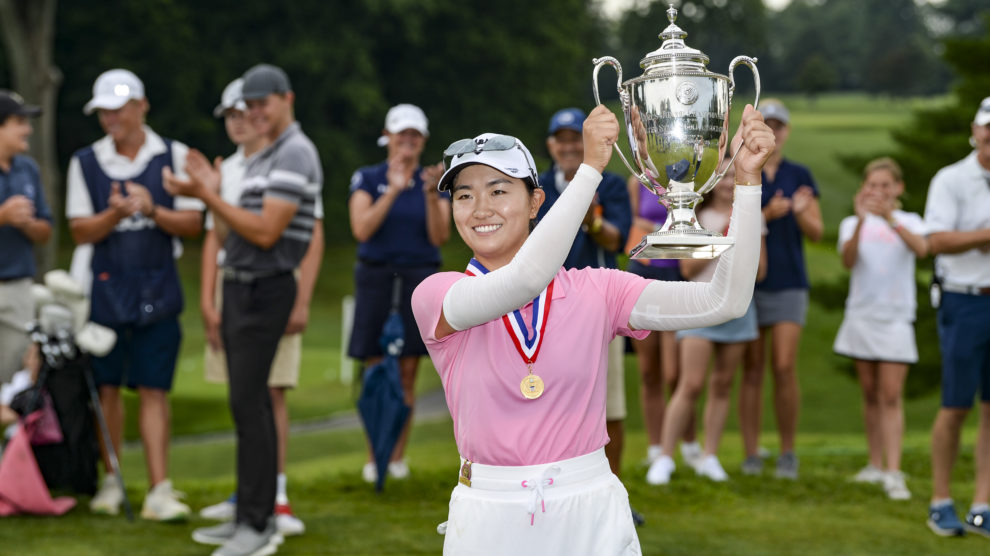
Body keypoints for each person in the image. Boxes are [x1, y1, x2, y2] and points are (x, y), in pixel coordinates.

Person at [410, 104, 771, 554]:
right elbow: (524, 279)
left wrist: (749, 184)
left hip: (590, 507)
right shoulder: (435, 295)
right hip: (487, 510)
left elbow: (725, 300)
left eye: (499, 190)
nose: (480, 208)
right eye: (463, 195)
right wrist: (590, 170)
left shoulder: (597, 290)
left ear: (536, 201)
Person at [168, 63, 323, 556]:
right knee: (247, 404)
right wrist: (214, 192)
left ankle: (258, 527)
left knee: (250, 404)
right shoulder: (265, 156)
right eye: (249, 105)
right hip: (242, 287)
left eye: (262, 104)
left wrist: (208, 194)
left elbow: (263, 231)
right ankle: (247, 516)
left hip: (265, 288)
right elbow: (235, 226)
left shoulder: (295, 152)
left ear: (286, 99)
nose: (255, 113)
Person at [65, 69, 202, 521]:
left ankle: (159, 488)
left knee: (153, 389)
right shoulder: (85, 161)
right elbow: (80, 229)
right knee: (106, 388)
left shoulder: (174, 155)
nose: (110, 119)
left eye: (118, 109)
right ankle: (112, 480)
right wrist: (115, 213)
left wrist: (152, 207)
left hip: (158, 289)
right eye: (104, 111)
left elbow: (192, 223)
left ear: (141, 106)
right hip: (104, 291)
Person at [536, 107, 643, 522]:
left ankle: (613, 497)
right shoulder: (537, 185)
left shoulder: (610, 183)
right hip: (543, 309)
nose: (566, 146)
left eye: (572, 139)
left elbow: (617, 238)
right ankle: (556, 493)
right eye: (559, 139)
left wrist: (592, 221)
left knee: (610, 405)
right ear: (550, 145)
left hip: (598, 309)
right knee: (550, 405)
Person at [347, 103, 449, 482]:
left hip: (417, 279)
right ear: (387, 137)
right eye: (401, 134)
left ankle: (397, 456)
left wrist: (426, 192)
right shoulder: (368, 177)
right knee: (374, 368)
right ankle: (376, 453)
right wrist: (391, 190)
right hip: (376, 278)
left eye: (414, 135)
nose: (407, 141)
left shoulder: (433, 182)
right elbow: (362, 228)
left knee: (407, 371)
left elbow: (440, 236)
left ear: (422, 141)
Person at [651, 161, 768, 484]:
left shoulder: (751, 218)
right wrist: (724, 238)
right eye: (726, 177)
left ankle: (710, 456)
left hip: (736, 309)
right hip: (698, 306)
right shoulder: (697, 218)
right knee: (690, 384)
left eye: (735, 177)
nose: (731, 182)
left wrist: (741, 235)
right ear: (714, 182)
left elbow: (760, 272)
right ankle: (664, 457)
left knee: (721, 385)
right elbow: (687, 272)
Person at [834, 157, 926, 501]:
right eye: (873, 185)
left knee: (891, 396)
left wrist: (889, 218)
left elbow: (922, 248)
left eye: (886, 185)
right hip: (862, 316)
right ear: (863, 188)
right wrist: (861, 221)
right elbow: (848, 260)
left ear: (898, 188)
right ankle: (875, 464)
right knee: (871, 395)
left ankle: (894, 470)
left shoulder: (909, 221)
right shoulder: (851, 223)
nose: (879, 191)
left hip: (896, 318)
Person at [740, 98, 823, 479]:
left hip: (789, 280)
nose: (773, 130)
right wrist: (764, 215)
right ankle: (752, 452)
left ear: (785, 132)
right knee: (753, 369)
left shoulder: (800, 173)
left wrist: (802, 211)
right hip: (749, 281)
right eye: (766, 124)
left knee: (784, 366)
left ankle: (788, 452)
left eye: (779, 125)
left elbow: (818, 233)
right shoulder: (742, 169)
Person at [922, 96, 990, 538]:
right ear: (976, 130)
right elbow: (936, 241)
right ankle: (940, 501)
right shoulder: (952, 178)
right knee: (955, 405)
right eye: (988, 129)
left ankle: (983, 505)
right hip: (964, 302)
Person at [628, 174, 702, 483]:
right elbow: (634, 224)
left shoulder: (693, 181)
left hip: (677, 278)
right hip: (643, 276)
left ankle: (688, 444)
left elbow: (692, 229)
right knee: (649, 372)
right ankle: (656, 447)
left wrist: (653, 230)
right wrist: (660, 231)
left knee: (674, 374)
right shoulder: (637, 182)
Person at [0, 90, 52, 388]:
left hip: (19, 289)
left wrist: (28, 224)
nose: (27, 130)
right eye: (19, 121)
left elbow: (45, 231)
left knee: (16, 388)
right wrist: (3, 216)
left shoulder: (28, 169)